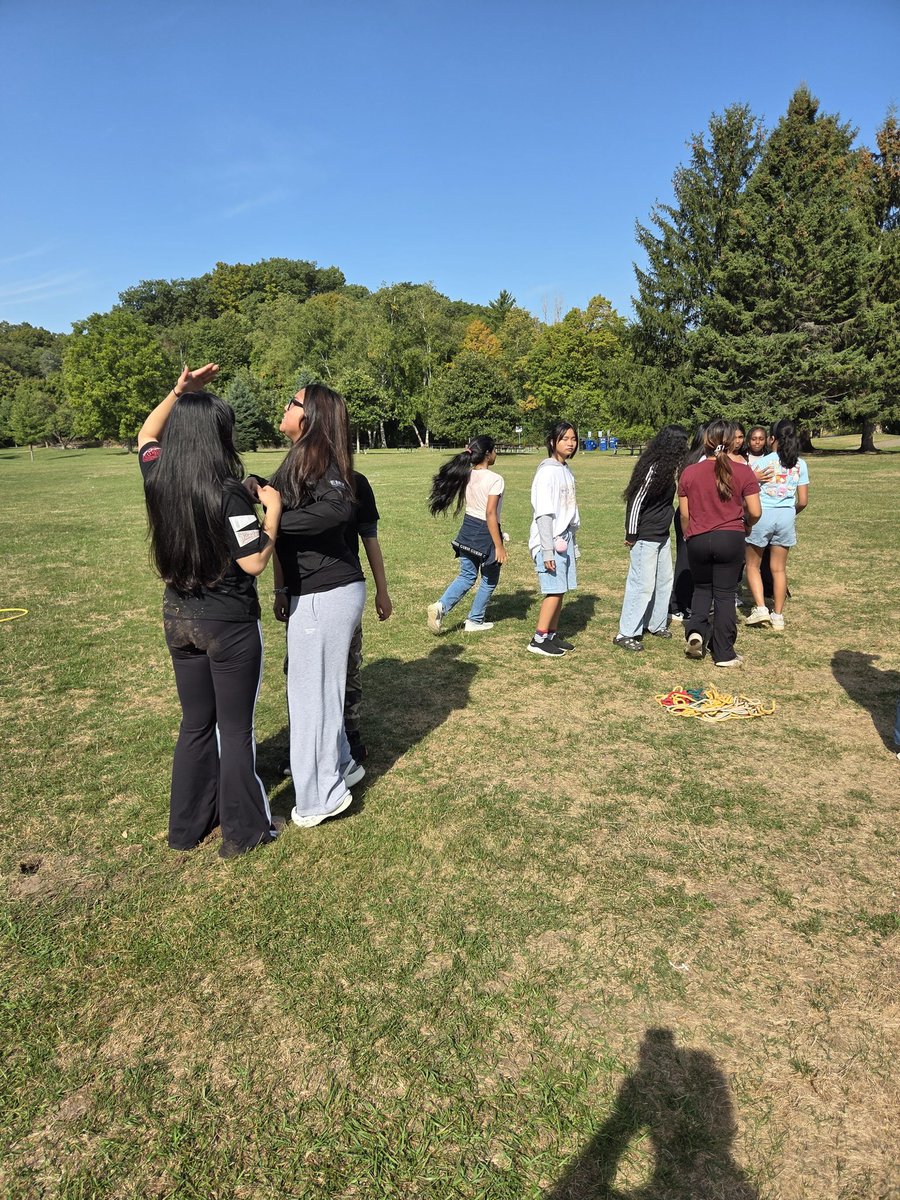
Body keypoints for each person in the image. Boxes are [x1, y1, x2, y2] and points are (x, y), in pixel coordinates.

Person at [137, 364, 282, 859]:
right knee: (235, 730)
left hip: (178, 619)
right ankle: (244, 831)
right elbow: (256, 561)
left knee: (195, 723)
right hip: (229, 625)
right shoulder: (228, 494)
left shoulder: (158, 473)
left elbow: (146, 433)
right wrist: (274, 513)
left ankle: (186, 828)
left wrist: (177, 391)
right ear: (220, 436)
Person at [269, 384, 367, 827]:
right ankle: (343, 764)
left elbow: (337, 510)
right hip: (314, 593)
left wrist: (275, 521)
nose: (285, 407)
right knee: (319, 693)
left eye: (292, 402)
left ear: (308, 415)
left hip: (326, 593)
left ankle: (320, 797)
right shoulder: (300, 460)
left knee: (311, 700)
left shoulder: (324, 463)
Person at [678, 419, 761, 668]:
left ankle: (696, 632)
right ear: (731, 442)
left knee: (702, 589)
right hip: (730, 537)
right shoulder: (744, 471)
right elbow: (755, 511)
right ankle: (723, 652)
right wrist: (746, 525)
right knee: (725, 594)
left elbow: (684, 514)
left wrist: (688, 535)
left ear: (707, 440)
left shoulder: (690, 472)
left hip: (698, 538)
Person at [613, 425, 688, 652]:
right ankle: (626, 632)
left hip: (662, 535)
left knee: (664, 581)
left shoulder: (668, 468)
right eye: (682, 443)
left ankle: (654, 624)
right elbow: (635, 501)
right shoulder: (654, 469)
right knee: (641, 585)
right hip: (645, 536)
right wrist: (631, 533)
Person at [426, 436, 507, 634]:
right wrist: (499, 545)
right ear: (488, 455)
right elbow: (490, 514)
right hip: (485, 532)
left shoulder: (467, 474)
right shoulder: (496, 479)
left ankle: (440, 607)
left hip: (467, 529)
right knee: (490, 579)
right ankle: (475, 620)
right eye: (495, 450)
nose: (496, 453)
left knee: (467, 575)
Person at [342, 471, 392, 762]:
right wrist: (281, 589)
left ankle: (350, 733)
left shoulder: (355, 482)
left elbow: (369, 538)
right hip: (302, 593)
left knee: (349, 666)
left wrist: (381, 591)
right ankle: (303, 741)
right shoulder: (289, 476)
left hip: (346, 588)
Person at [744, 418, 809, 630]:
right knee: (779, 569)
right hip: (786, 517)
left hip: (762, 516)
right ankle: (778, 615)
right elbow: (803, 501)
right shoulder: (800, 464)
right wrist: (791, 512)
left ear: (772, 438)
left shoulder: (762, 463)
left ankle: (761, 608)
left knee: (753, 565)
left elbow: (747, 492)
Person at [527, 421, 581, 657]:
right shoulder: (547, 472)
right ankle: (538, 639)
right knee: (554, 590)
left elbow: (570, 512)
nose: (570, 443)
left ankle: (551, 634)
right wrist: (547, 550)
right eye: (564, 439)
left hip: (565, 539)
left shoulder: (565, 470)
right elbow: (544, 514)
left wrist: (574, 544)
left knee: (562, 589)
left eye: (573, 439)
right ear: (552, 442)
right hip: (550, 540)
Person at [668, 423, 707, 623]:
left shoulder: (695, 458)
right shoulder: (696, 461)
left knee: (692, 562)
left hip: (693, 515)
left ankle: (687, 602)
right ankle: (677, 605)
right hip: (688, 515)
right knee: (685, 562)